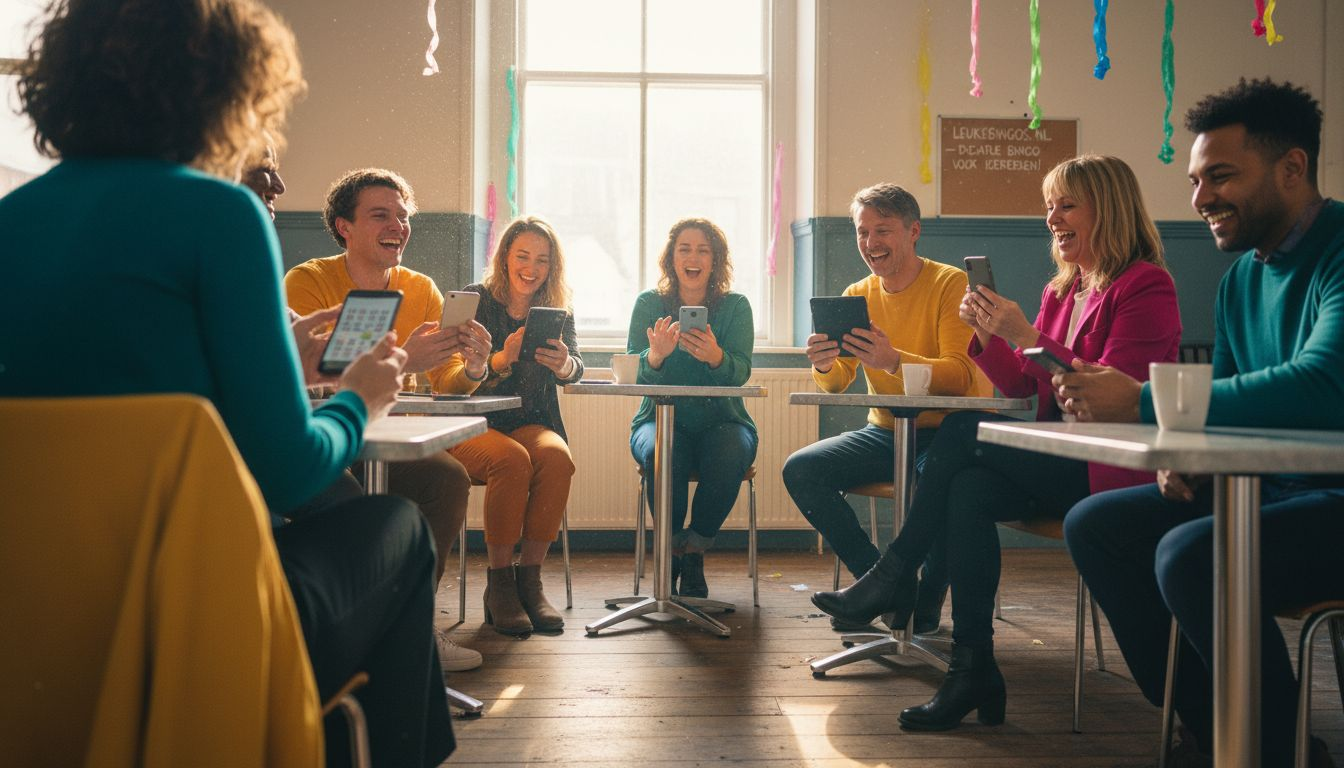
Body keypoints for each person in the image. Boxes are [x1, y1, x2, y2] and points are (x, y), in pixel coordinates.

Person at [0, 1, 454, 766]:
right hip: (193, 612)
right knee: (397, 530)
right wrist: (359, 397)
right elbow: (288, 466)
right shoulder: (223, 215)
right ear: (225, 92)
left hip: (39, 614)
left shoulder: (12, 220)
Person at [809, 156, 1181, 731]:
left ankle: (893, 576)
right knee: (970, 489)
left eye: (1066, 205)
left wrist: (1025, 334)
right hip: (1057, 452)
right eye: (1049, 206)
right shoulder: (1064, 288)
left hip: (1109, 460)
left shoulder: (1144, 285)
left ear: (1107, 209)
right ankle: (972, 667)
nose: (1052, 218)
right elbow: (1020, 388)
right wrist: (990, 337)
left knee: (961, 431)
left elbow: (1115, 393)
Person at [1060, 80, 1344, 768]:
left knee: (1190, 557)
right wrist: (1188, 449)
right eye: (1194, 180)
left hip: (1333, 498)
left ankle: (1268, 748)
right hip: (1272, 491)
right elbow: (1231, 392)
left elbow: (1324, 384)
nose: (1200, 199)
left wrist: (1150, 406)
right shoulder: (1242, 278)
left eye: (1221, 176)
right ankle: (1227, 727)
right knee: (1099, 526)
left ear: (1293, 168)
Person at [246, 153, 482, 673]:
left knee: (446, 478)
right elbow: (309, 376)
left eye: (402, 216)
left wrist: (475, 366)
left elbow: (448, 379)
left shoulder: (418, 287)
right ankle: (362, 634)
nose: (397, 225)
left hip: (382, 434)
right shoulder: (305, 282)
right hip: (326, 433)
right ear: (343, 227)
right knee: (350, 501)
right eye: (380, 215)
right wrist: (400, 362)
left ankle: (413, 625)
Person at [782, 182, 988, 632]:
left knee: (935, 481)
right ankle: (885, 585)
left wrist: (895, 360)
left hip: (948, 430)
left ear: (913, 231)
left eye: (883, 230)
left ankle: (928, 595)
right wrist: (823, 364)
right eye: (862, 232)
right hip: (886, 430)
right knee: (801, 469)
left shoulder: (949, 283)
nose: (870, 243)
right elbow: (838, 384)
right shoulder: (858, 292)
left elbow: (960, 376)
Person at [447, 215, 582, 636]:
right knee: (511, 460)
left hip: (532, 420)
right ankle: (500, 584)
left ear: (551, 266)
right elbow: (450, 376)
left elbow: (576, 367)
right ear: (504, 257)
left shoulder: (557, 310)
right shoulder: (475, 299)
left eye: (542, 260)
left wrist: (565, 365)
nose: (532, 267)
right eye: (522, 255)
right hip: (473, 423)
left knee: (557, 458)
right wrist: (503, 358)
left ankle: (531, 579)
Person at [626, 218, 758, 598]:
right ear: (671, 258)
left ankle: (694, 550)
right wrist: (655, 357)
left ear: (716, 260)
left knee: (730, 449)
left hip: (725, 420)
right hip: (658, 419)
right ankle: (669, 551)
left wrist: (717, 358)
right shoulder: (649, 303)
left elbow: (741, 373)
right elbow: (632, 370)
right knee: (664, 450)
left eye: (703, 249)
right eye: (684, 248)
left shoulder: (735, 306)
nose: (694, 257)